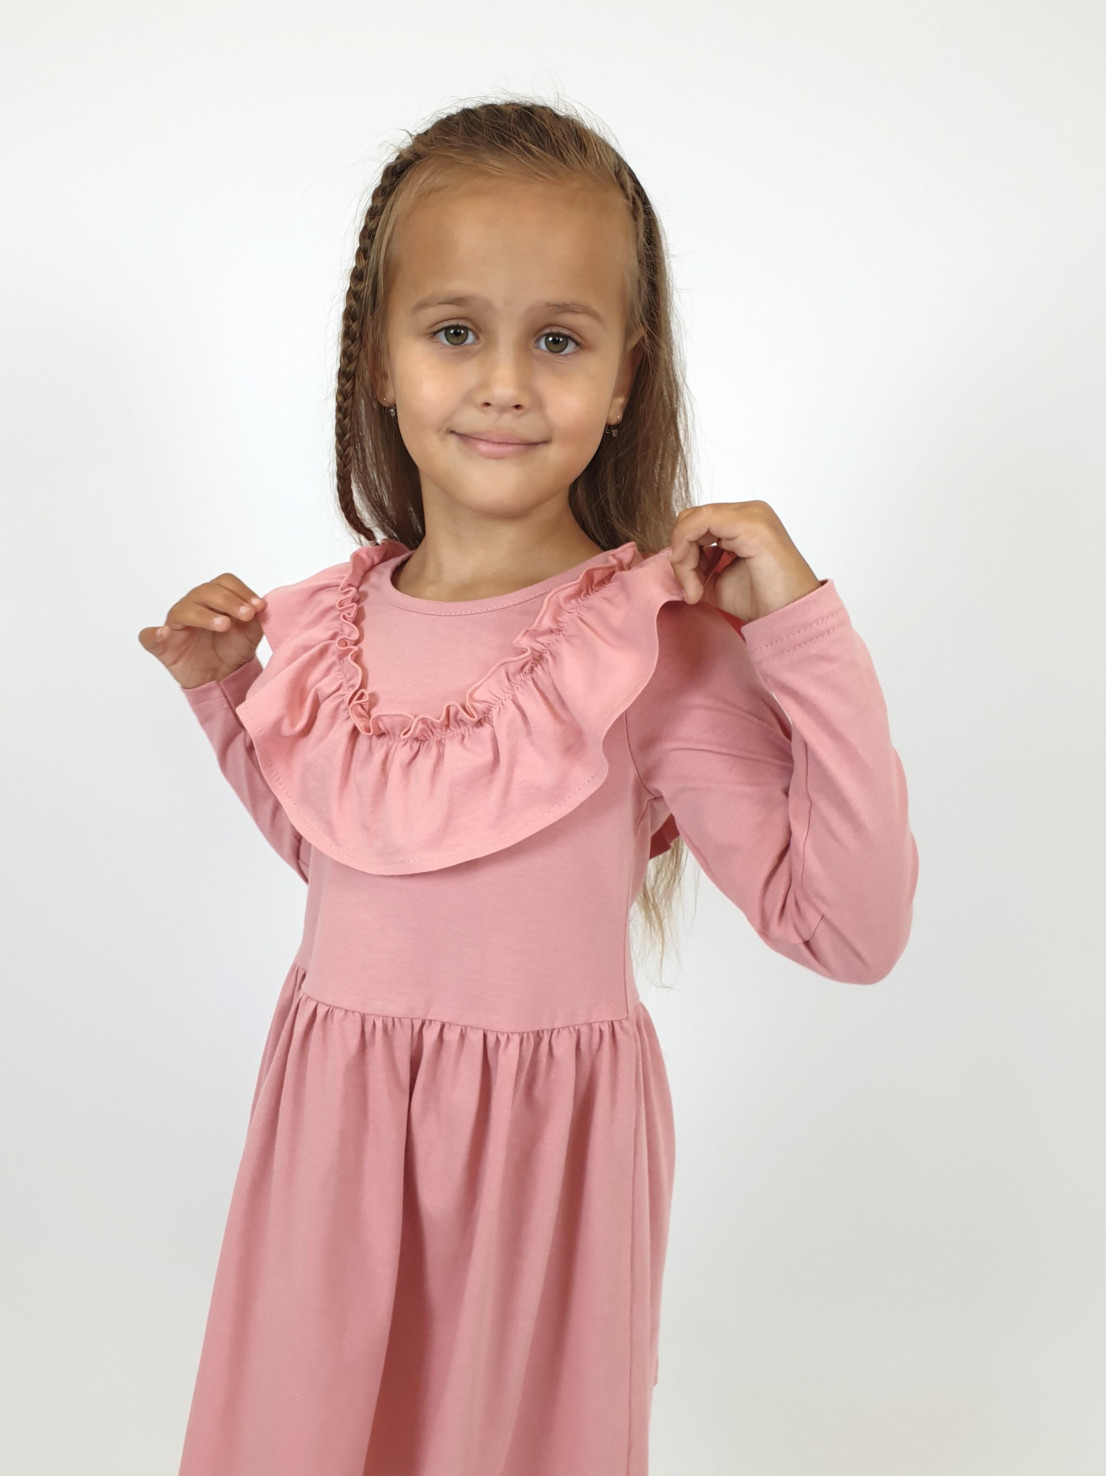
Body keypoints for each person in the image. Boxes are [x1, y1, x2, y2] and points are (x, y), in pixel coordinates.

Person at [138, 98, 918, 1476]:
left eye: (557, 340)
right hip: (331, 1152)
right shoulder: (317, 627)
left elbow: (848, 930)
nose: (503, 382)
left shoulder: (652, 642)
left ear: (625, 376)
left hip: (538, 1180)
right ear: (378, 361)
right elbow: (350, 855)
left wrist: (801, 631)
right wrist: (225, 693)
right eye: (455, 331)